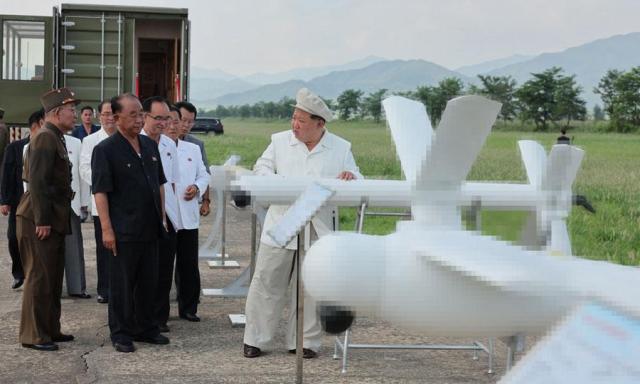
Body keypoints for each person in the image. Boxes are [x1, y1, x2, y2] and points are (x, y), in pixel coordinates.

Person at [243, 88, 363, 359]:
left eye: (302, 120)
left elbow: (357, 177)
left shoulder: (341, 147)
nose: (295, 124)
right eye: (293, 118)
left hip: (318, 227)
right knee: (267, 282)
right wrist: (281, 185)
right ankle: (255, 339)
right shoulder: (280, 141)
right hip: (282, 223)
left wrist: (350, 177)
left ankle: (305, 342)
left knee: (312, 286)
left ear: (319, 124)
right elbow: (261, 169)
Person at [92, 93, 169, 353]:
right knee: (122, 285)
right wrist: (106, 229)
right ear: (116, 118)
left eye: (141, 114)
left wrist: (162, 217)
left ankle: (145, 327)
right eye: (133, 115)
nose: (139, 120)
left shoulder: (149, 146)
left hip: (150, 227)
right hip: (123, 229)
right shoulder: (105, 150)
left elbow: (159, 184)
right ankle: (121, 333)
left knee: (149, 282)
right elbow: (100, 191)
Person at [17, 88, 79, 351]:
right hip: (37, 218)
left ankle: (50, 329)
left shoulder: (55, 137)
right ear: (56, 113)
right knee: (39, 277)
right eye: (71, 110)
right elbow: (38, 183)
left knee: (52, 278)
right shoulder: (44, 138)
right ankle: (34, 335)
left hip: (52, 216)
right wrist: (42, 220)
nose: (74, 114)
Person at [140, 96, 180, 332]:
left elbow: (172, 183)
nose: (164, 123)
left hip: (168, 216)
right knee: (146, 272)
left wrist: (171, 217)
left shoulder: (169, 144)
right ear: (145, 116)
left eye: (167, 118)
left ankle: (159, 317)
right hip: (144, 217)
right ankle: (143, 316)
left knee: (165, 270)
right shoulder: (135, 142)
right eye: (159, 118)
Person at [166, 105, 209, 324]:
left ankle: (189, 307)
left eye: (178, 122)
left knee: (188, 265)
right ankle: (160, 311)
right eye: (171, 121)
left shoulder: (192, 149)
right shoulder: (154, 148)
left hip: (188, 215)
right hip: (166, 218)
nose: (175, 126)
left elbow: (204, 174)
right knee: (163, 266)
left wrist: (197, 187)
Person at [0, 108, 44, 290]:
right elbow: (7, 175)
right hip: (19, 202)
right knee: (13, 237)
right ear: (36, 125)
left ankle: (36, 274)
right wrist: (4, 200)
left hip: (41, 203)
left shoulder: (46, 147)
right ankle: (19, 273)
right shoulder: (15, 148)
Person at [79, 100, 117, 303]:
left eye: (113, 114)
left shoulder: (124, 139)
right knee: (103, 247)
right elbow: (84, 169)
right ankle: (105, 289)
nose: (109, 118)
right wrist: (105, 181)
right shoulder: (91, 140)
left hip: (121, 202)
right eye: (106, 114)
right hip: (100, 202)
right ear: (99, 116)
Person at [63, 133, 90, 298]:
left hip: (72, 203)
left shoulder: (75, 143)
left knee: (74, 247)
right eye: (70, 111)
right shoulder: (35, 142)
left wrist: (84, 201)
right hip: (48, 206)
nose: (74, 115)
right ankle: (53, 289)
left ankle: (77, 288)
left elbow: (81, 174)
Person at [175, 101, 211, 216]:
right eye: (183, 120)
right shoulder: (160, 141)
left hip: (188, 203)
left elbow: (204, 174)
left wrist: (205, 201)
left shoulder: (196, 145)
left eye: (190, 122)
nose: (186, 125)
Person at [71, 105, 98, 222]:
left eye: (90, 114)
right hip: (82, 162)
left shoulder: (97, 130)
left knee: (95, 185)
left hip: (96, 160)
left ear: (93, 116)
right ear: (81, 116)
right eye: (85, 115)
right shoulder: (76, 131)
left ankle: (94, 210)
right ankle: (83, 210)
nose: (88, 117)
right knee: (83, 185)